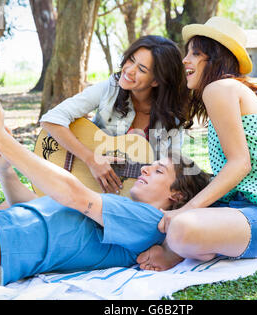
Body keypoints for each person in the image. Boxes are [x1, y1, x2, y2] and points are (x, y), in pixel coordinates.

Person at [0, 93, 210, 300]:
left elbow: (74, 193)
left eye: (159, 170)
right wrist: (5, 168)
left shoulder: (149, 220)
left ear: (177, 195)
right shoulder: (119, 212)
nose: (146, 168)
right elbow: (32, 208)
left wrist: (3, 140)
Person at [137, 17, 257, 271]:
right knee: (168, 199)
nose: (185, 60)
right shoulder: (227, 90)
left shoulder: (220, 88)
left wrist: (187, 210)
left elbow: (240, 164)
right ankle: (186, 246)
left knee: (181, 226)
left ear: (215, 57)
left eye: (195, 53)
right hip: (248, 209)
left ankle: (178, 250)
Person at [39, 35, 190, 195]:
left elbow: (171, 169)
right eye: (131, 60)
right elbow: (51, 119)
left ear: (156, 81)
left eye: (141, 69)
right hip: (83, 183)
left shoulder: (172, 119)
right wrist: (91, 160)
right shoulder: (110, 88)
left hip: (124, 195)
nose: (129, 70)